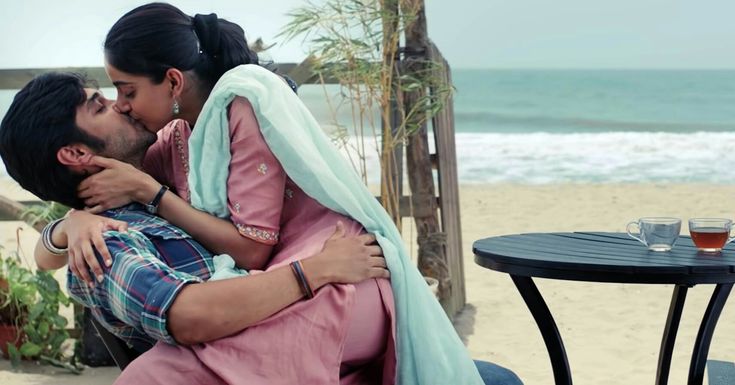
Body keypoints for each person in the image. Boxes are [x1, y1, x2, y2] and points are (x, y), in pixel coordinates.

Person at [29, 3, 523, 384]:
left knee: (166, 368)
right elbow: (52, 255)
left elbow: (252, 247)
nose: (122, 106)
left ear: (173, 82)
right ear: (74, 154)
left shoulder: (233, 111)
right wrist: (68, 224)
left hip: (342, 268)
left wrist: (153, 196)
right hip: (298, 280)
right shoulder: (172, 145)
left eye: (125, 91)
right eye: (106, 102)